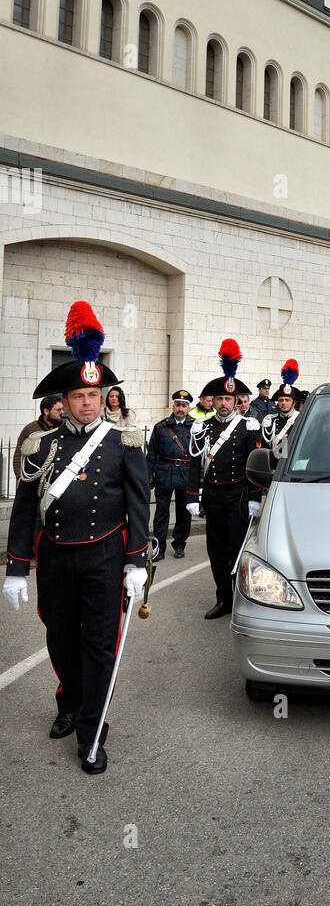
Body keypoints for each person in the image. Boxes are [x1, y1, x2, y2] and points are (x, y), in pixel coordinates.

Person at [2, 301, 149, 775]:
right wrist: (17, 568)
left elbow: (138, 504)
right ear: (63, 400)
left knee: (99, 645)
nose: (88, 401)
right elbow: (26, 510)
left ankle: (92, 730)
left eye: (95, 393)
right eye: (78, 395)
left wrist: (136, 561)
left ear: (104, 395)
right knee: (61, 639)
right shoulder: (40, 446)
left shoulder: (122, 443)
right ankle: (69, 701)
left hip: (106, 557)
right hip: (57, 559)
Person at [186, 340, 262, 620]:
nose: (223, 403)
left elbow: (254, 464)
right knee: (216, 551)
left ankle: (241, 599)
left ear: (236, 401)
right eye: (218, 399)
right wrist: (193, 496)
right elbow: (195, 463)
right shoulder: (202, 426)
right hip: (214, 497)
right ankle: (223, 599)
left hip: (239, 496)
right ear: (212, 401)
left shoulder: (247, 427)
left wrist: (254, 497)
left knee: (237, 550)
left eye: (228, 399)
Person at [147, 389, 195, 561]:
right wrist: (148, 477)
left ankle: (180, 544)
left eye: (184, 405)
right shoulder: (161, 427)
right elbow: (151, 454)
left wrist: (199, 478)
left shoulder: (196, 427)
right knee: (161, 513)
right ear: (173, 406)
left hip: (186, 474)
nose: (180, 408)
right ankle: (159, 547)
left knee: (184, 512)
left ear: (188, 407)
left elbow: (199, 455)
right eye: (177, 405)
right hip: (164, 473)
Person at [12, 393, 64, 483]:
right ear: (46, 411)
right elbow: (19, 455)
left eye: (62, 409)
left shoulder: (65, 428)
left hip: (58, 478)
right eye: (58, 410)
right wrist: (19, 477)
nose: (62, 412)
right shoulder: (31, 429)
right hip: (34, 478)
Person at [262, 361, 301, 456]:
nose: (284, 403)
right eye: (281, 400)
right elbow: (265, 447)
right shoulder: (270, 420)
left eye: (287, 400)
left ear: (294, 402)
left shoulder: (300, 419)